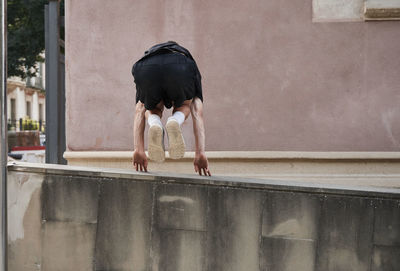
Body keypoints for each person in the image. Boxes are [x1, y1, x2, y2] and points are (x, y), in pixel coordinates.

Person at [131, 41, 211, 176]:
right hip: (180, 67)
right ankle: (175, 120)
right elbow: (197, 111)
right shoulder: (187, 60)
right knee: (185, 105)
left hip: (146, 67)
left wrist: (138, 149)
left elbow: (139, 110)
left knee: (150, 107)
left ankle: (155, 123)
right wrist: (200, 153)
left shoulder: (150, 57)